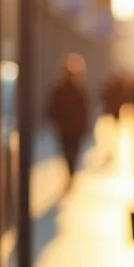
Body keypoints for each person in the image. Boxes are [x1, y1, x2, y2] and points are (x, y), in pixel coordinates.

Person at [46, 54, 91, 182]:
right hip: (71, 127)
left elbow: (52, 107)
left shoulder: (66, 89)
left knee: (68, 150)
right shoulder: (74, 89)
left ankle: (70, 169)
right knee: (71, 150)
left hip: (67, 127)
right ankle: (70, 170)